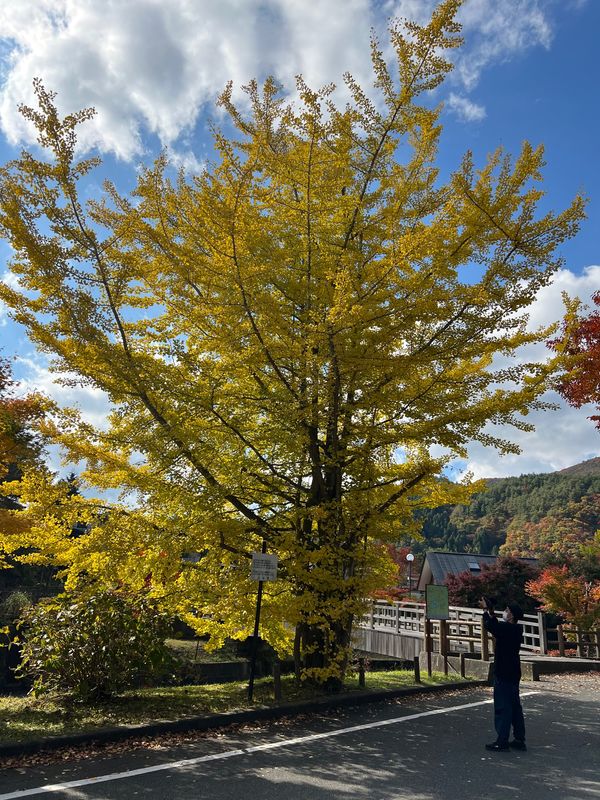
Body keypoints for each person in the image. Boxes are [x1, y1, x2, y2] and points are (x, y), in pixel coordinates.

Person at [480, 597, 527, 753]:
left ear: (512, 615)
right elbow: (495, 626)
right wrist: (489, 611)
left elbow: (492, 626)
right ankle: (519, 739)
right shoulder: (516, 630)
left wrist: (487, 610)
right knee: (515, 706)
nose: (505, 612)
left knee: (503, 706)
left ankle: (502, 741)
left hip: (503, 671)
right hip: (514, 672)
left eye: (507, 610)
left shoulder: (507, 629)